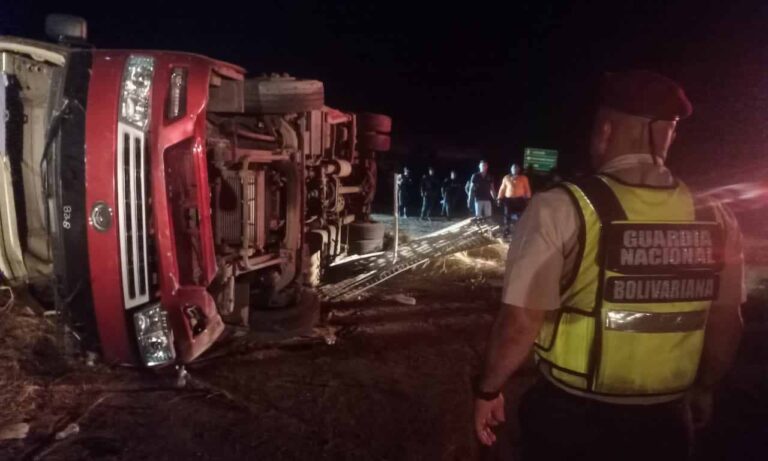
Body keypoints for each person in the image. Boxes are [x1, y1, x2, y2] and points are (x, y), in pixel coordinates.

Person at [472, 71, 744, 461]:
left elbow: (521, 321)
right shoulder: (717, 217)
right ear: (670, 134)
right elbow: (726, 321)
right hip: (666, 421)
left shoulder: (563, 207)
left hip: (573, 419)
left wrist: (488, 389)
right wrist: (705, 387)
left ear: (605, 130)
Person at [497, 163, 531, 236]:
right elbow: (502, 188)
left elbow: (527, 188)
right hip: (509, 200)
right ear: (511, 169)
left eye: (516, 168)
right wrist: (499, 198)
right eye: (513, 168)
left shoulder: (523, 178)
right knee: (507, 215)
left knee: (521, 216)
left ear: (518, 169)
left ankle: (520, 231)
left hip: (520, 200)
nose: (514, 169)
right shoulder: (506, 178)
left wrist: (528, 198)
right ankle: (507, 230)